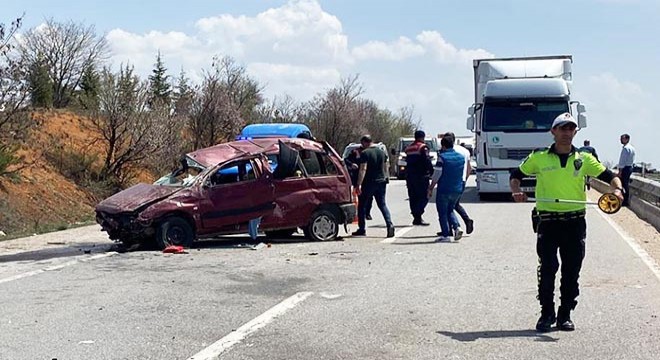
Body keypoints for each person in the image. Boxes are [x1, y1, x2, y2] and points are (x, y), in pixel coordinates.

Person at [510, 112, 624, 333]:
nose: (566, 133)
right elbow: (516, 175)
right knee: (548, 268)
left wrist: (618, 190)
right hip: (548, 222)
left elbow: (610, 176)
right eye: (562, 128)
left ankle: (565, 315)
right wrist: (516, 191)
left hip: (575, 222)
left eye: (570, 129)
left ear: (575, 132)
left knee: (572, 271)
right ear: (553, 131)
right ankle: (546, 313)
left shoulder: (584, 159)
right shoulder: (539, 157)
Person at [352, 135, 395, 238]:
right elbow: (386, 166)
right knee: (382, 205)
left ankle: (362, 229)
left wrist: (359, 184)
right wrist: (386, 178)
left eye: (362, 144)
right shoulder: (381, 152)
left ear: (365, 142)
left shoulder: (365, 153)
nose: (362, 146)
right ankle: (390, 224)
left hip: (369, 183)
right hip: (381, 182)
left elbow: (363, 169)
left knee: (362, 205)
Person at [428, 135, 466, 241]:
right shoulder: (460, 157)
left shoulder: (442, 158)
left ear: (443, 146)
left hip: (444, 189)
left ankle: (446, 235)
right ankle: (457, 227)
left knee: (442, 212)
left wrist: (431, 187)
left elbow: (437, 175)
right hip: (457, 188)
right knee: (450, 209)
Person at [444, 132, 474, 234]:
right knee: (454, 204)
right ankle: (466, 221)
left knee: (448, 205)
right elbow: (469, 168)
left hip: (452, 180)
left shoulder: (450, 151)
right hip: (462, 180)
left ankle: (451, 228)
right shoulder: (465, 151)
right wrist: (464, 178)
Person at [404, 130, 434, 226]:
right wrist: (432, 171)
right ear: (422, 137)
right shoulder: (422, 147)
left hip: (410, 176)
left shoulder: (409, 148)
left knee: (413, 197)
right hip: (421, 176)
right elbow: (426, 160)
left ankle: (416, 217)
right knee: (425, 195)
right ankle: (418, 214)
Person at [345, 146, 373, 219]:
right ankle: (357, 213)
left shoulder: (368, 155)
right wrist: (351, 164)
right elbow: (346, 160)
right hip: (356, 177)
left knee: (369, 197)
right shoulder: (354, 154)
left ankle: (367, 213)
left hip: (367, 178)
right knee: (357, 197)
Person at [617, 133, 635, 206]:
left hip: (625, 168)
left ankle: (625, 200)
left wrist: (620, 170)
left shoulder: (625, 149)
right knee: (625, 183)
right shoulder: (632, 148)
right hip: (630, 167)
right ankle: (625, 200)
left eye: (622, 138)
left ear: (627, 139)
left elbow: (623, 160)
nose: (621, 140)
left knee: (624, 184)